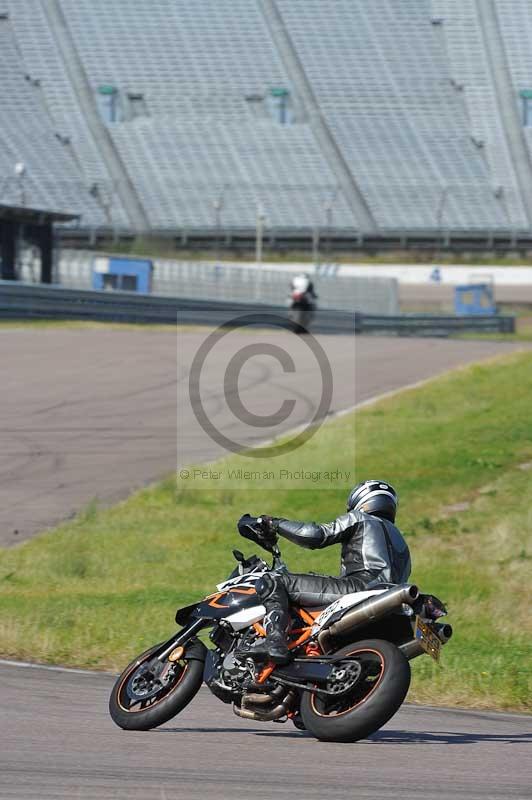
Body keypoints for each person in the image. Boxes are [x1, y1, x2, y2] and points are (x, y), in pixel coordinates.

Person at [238, 480, 411, 664]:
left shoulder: (360, 518)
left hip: (358, 588)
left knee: (274, 581)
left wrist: (274, 523)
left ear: (360, 500)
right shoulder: (403, 544)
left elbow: (315, 535)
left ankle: (274, 641)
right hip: (388, 599)